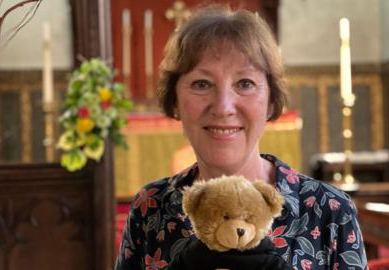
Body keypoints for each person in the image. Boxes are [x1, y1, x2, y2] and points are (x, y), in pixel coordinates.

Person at [115, 5, 367, 270]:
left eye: (244, 83)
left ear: (271, 101)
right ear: (175, 101)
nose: (223, 107)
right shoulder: (151, 208)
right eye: (202, 84)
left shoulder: (329, 211)